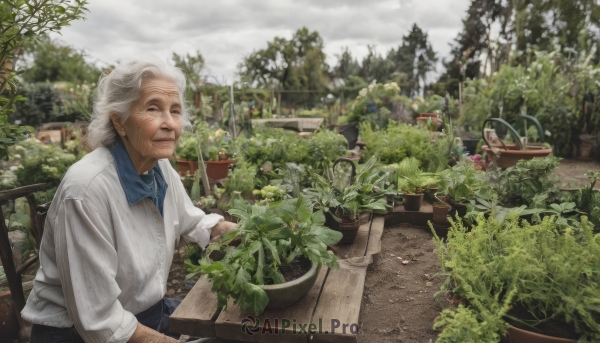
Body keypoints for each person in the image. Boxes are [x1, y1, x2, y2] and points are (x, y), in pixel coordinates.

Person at [22, 59, 237, 343]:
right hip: (76, 334)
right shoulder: (86, 190)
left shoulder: (159, 169)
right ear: (119, 121)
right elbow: (101, 323)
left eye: (175, 111)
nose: (170, 124)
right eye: (152, 108)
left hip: (145, 316)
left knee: (241, 328)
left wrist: (255, 233)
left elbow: (194, 222)